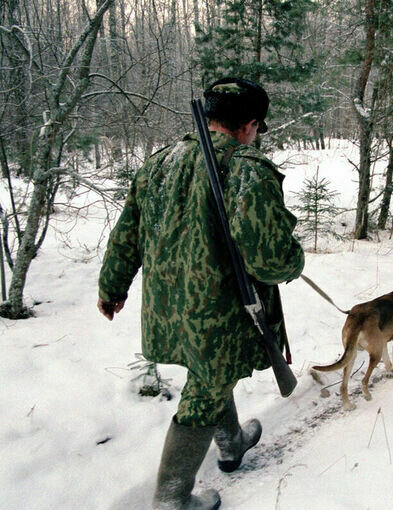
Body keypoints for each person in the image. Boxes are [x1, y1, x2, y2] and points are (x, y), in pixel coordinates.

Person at [97, 77, 305, 510]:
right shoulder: (246, 167)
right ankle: (171, 499)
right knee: (203, 392)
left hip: (168, 305)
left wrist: (112, 288)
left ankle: (230, 444)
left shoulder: (159, 162)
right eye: (258, 128)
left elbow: (126, 235)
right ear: (249, 124)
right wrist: (295, 259)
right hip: (219, 310)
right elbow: (269, 260)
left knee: (210, 376)